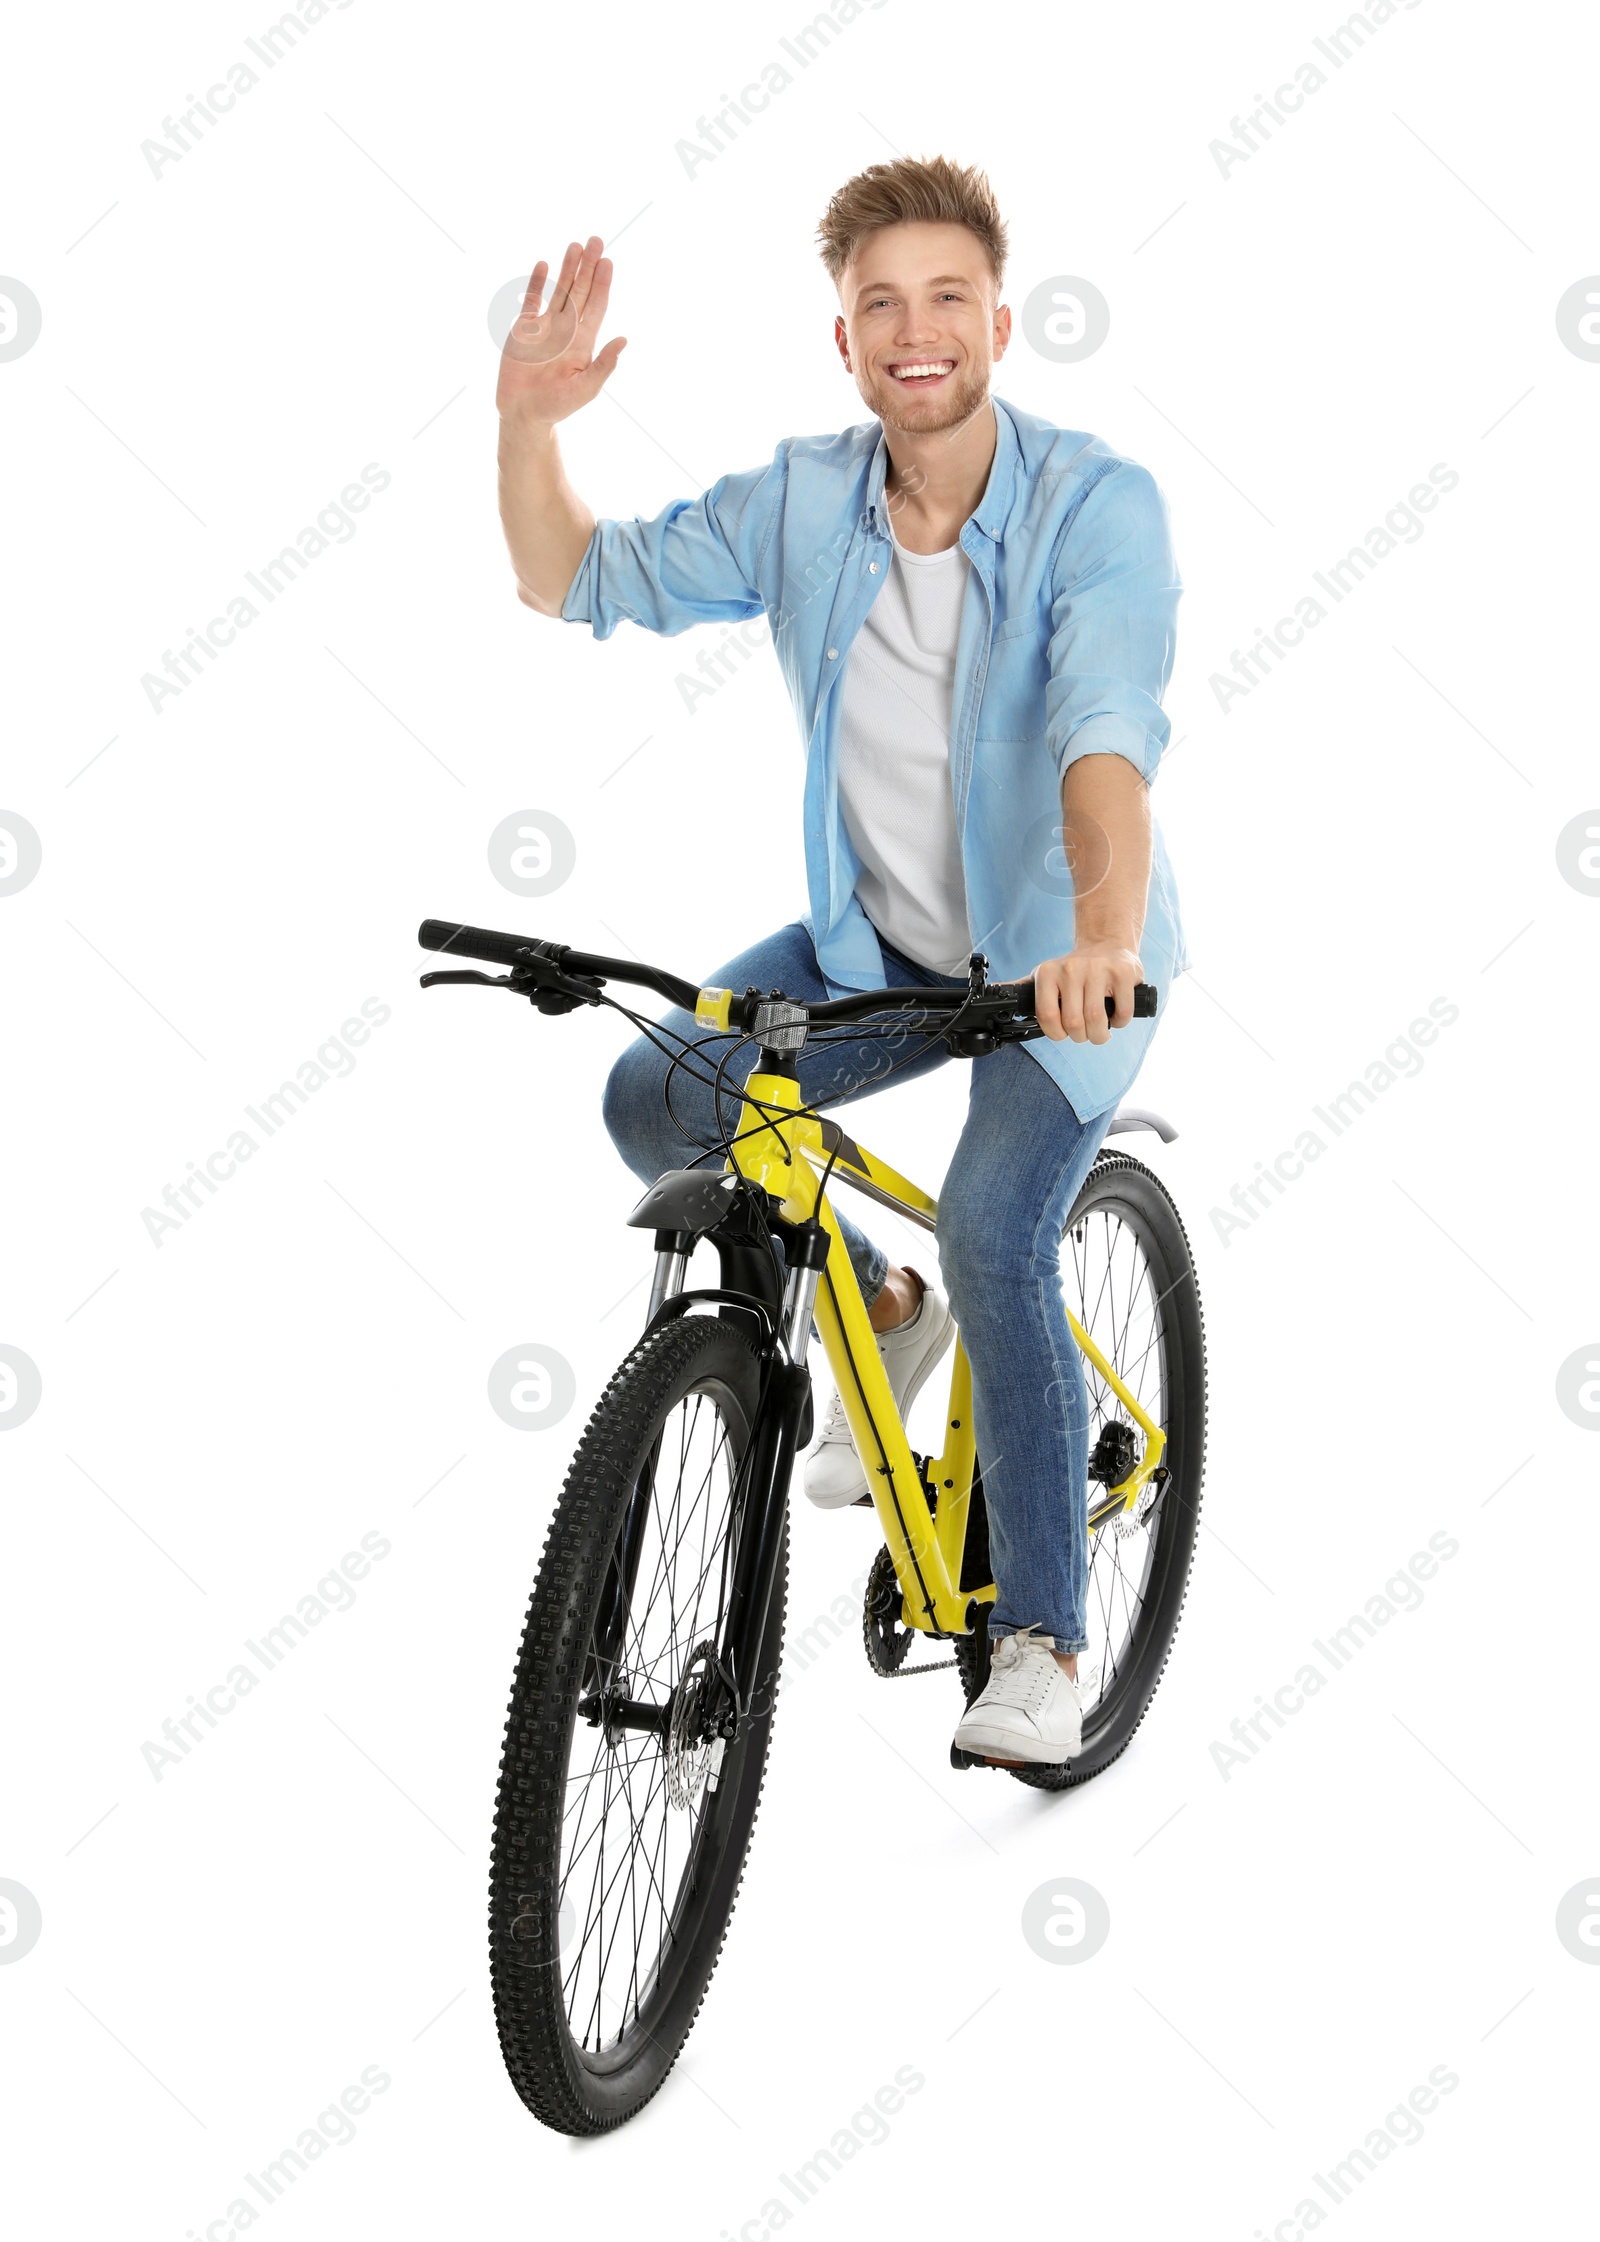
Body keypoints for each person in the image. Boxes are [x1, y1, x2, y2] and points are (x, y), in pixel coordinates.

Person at [496, 155, 1185, 1767]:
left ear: (1001, 324)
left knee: (1005, 1220)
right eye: (882, 303)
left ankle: (1045, 1637)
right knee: (658, 1095)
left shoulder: (1097, 506)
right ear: (847, 341)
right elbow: (569, 576)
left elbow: (1105, 742)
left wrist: (1096, 938)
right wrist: (532, 428)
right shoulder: (807, 501)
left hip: (1053, 966)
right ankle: (887, 1308)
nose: (916, 329)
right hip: (872, 942)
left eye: (949, 297)